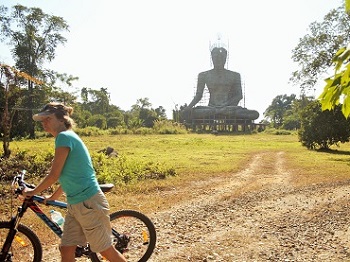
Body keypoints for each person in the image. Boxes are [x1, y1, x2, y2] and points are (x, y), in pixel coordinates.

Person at [23, 102, 126, 262]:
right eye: (42, 120)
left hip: (88, 203)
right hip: (76, 205)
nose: (44, 123)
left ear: (61, 119)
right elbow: (67, 175)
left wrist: (31, 192)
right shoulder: (65, 137)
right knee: (66, 249)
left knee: (106, 252)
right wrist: (54, 196)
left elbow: (54, 175)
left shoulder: (64, 137)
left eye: (47, 119)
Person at [183, 47, 259, 120]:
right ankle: (218, 112)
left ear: (226, 58)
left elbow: (239, 95)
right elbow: (198, 95)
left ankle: (220, 112)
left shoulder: (235, 75)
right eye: (216, 58)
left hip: (228, 108)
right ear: (212, 58)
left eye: (221, 58)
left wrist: (226, 105)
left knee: (255, 114)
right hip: (210, 108)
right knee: (191, 112)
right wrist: (189, 107)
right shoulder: (204, 75)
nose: (218, 60)